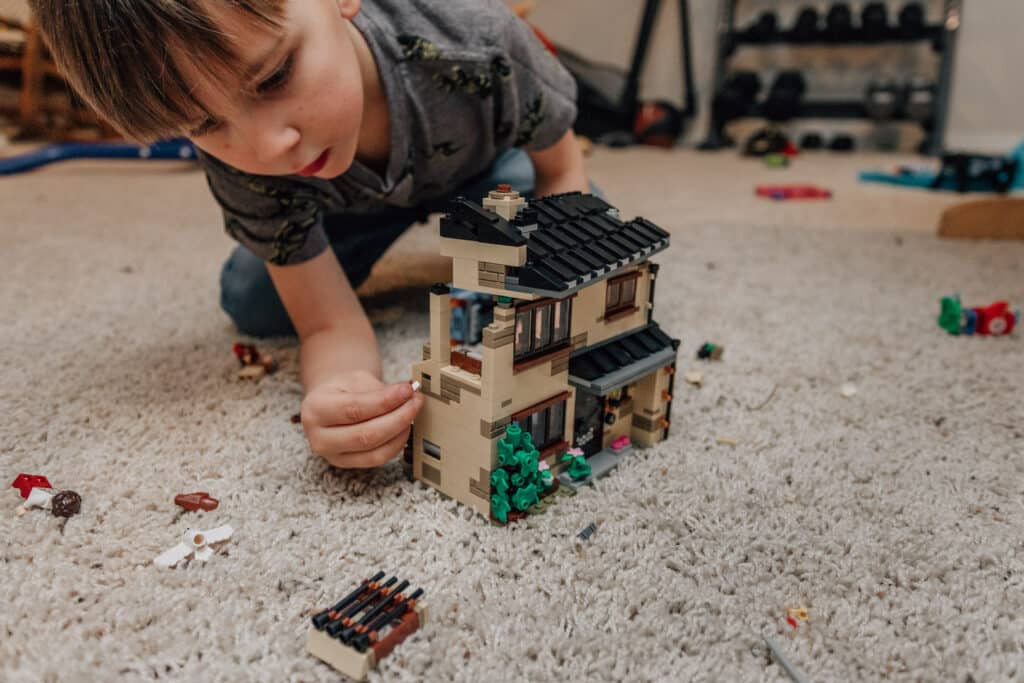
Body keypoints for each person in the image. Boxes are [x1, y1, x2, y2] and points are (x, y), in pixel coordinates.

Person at [29, 0, 589, 469]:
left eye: (273, 77)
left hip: (485, 174)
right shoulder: (246, 165)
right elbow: (327, 325)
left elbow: (561, 173)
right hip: (347, 207)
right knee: (253, 299)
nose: (266, 147)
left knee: (576, 252)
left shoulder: (477, 37)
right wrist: (341, 391)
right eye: (206, 125)